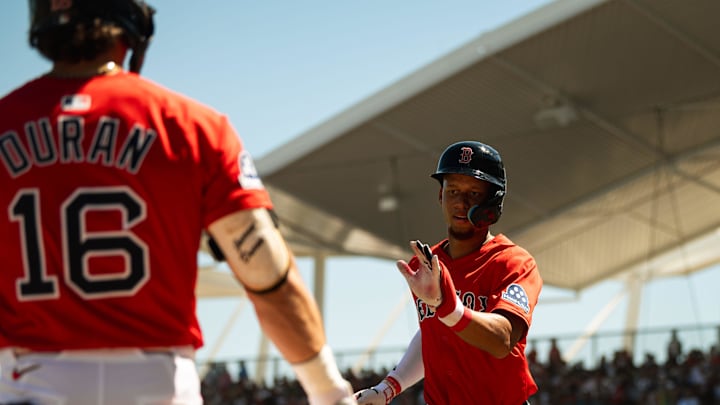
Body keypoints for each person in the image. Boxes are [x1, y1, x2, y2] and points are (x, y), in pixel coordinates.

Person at [0, 1, 356, 404]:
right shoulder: (192, 127)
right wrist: (328, 391)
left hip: (28, 380)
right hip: (158, 383)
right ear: (125, 21)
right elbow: (268, 278)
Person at [354, 141, 543, 404]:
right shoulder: (426, 263)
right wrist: (388, 387)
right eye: (453, 190)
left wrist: (447, 306)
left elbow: (502, 340)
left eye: (474, 193)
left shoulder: (512, 262)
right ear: (440, 196)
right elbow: (433, 334)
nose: (461, 202)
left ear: (493, 201)